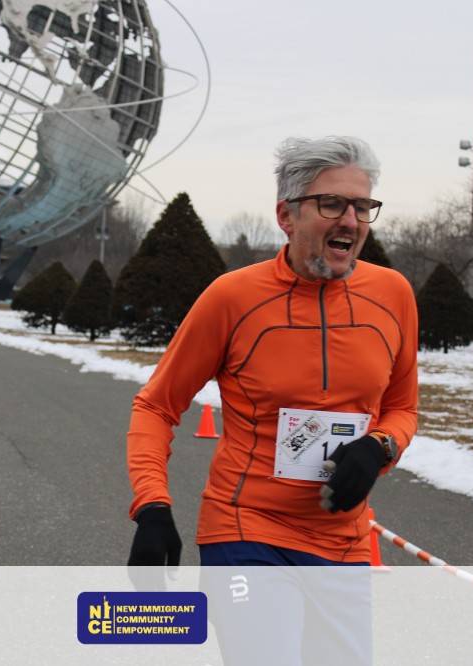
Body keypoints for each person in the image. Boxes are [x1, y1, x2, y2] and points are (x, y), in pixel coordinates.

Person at [125, 136, 418, 664]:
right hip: (246, 531)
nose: (350, 220)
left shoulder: (393, 294)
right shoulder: (232, 297)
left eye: (362, 206)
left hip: (344, 540)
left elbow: (403, 408)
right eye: (332, 203)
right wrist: (152, 507)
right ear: (286, 215)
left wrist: (379, 447)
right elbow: (156, 406)